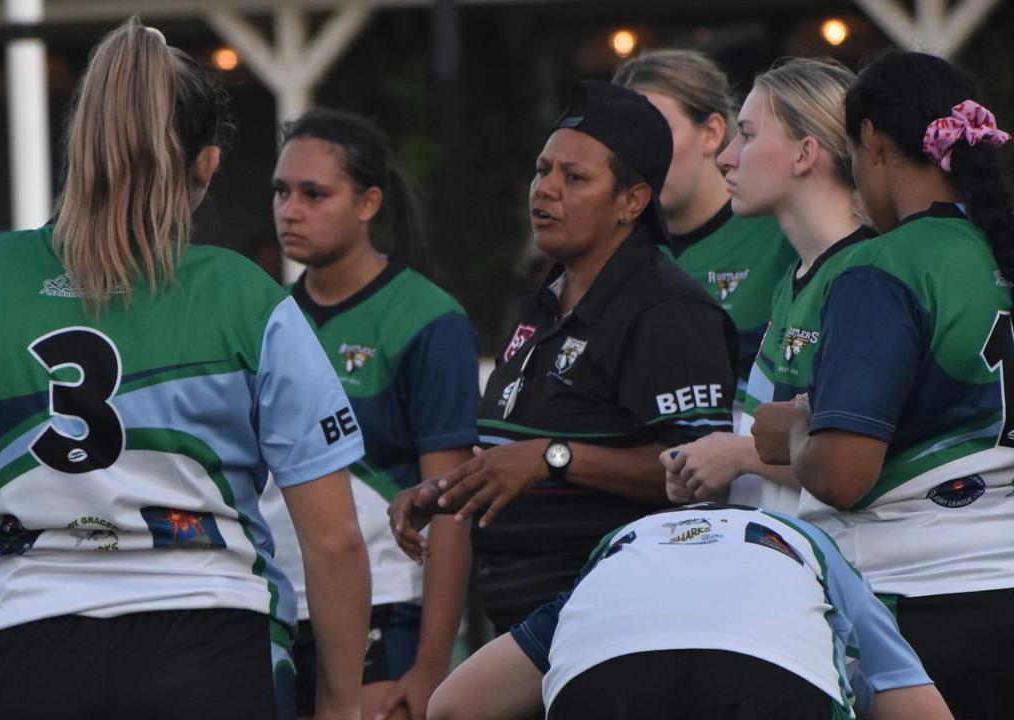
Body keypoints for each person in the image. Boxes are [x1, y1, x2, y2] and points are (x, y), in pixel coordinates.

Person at [0, 19, 370, 719]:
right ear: (206, 164)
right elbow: (334, 538)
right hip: (210, 639)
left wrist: (15, 558)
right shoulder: (245, 295)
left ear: (80, 148)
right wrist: (341, 704)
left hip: (27, 646)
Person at [390, 79, 737, 632]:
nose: (544, 189)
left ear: (632, 202)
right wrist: (449, 491)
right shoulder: (547, 296)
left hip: (608, 610)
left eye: (573, 178)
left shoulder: (665, 308)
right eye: (542, 169)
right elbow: (513, 454)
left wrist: (553, 456)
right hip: (522, 610)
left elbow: (701, 469)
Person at [751, 50, 1014, 718]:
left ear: (870, 139)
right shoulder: (994, 247)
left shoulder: (883, 265)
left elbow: (841, 474)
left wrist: (796, 430)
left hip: (916, 603)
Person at [261, 108, 476, 720]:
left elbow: (452, 507)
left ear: (368, 202)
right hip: (271, 609)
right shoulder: (264, 316)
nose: (290, 210)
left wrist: (431, 666)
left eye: (313, 194)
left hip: (386, 606)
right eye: (281, 191)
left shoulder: (428, 320)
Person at [424, 503, 953, 720]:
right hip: (769, 676)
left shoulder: (618, 557)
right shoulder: (812, 545)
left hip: (607, 674)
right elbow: (920, 708)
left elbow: (453, 705)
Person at [660, 58, 870, 513]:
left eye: (748, 135)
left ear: (804, 153)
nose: (726, 157)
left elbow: (869, 457)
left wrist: (738, 456)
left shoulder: (868, 276)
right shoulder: (796, 277)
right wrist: (714, 474)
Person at [614, 49, 796, 408]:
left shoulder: (783, 231)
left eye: (655, 131)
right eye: (621, 138)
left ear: (712, 132)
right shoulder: (614, 251)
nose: (636, 155)